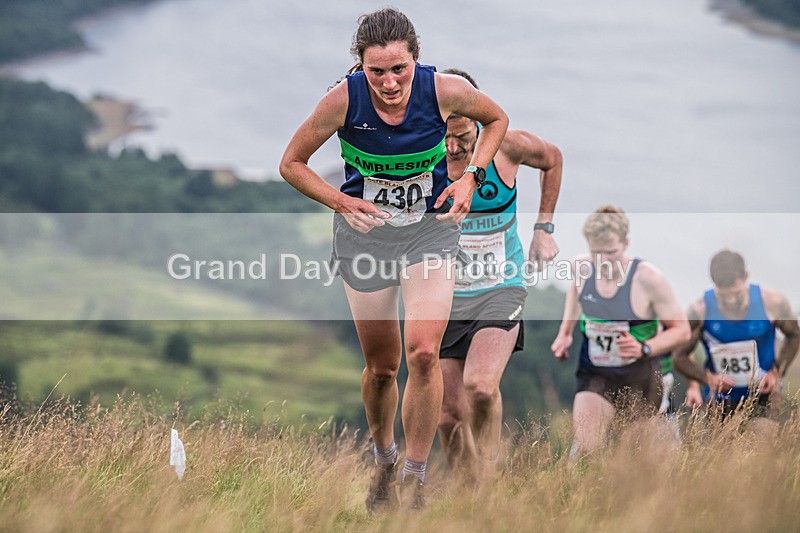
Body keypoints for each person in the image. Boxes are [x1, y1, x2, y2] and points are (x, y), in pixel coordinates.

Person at [279, 8, 508, 511]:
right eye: (376, 71)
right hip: (366, 239)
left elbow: (497, 119)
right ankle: (384, 460)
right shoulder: (342, 100)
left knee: (424, 353)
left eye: (399, 69)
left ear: (416, 60)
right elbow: (291, 164)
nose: (388, 83)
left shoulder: (444, 90)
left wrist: (471, 177)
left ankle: (414, 477)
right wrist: (341, 202)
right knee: (382, 368)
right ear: (360, 66)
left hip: (429, 232)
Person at [434, 69, 562, 482]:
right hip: (444, 296)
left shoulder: (507, 148)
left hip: (500, 288)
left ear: (478, 121)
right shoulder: (424, 155)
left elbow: (553, 159)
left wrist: (544, 228)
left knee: (481, 388)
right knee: (447, 418)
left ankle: (490, 478)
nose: (453, 147)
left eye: (461, 137)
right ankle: (469, 495)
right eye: (445, 137)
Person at [550, 206, 690, 458]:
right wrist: (565, 333)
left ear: (626, 244)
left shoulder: (648, 279)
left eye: (611, 252)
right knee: (586, 452)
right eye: (596, 252)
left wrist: (644, 348)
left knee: (635, 459)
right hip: (595, 373)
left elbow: (681, 330)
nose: (603, 261)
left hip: (641, 377)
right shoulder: (581, 267)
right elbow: (576, 293)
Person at [673, 250, 799, 421]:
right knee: (714, 439)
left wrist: (776, 373)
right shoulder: (700, 310)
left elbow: (794, 335)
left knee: (761, 435)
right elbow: (678, 355)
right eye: (723, 296)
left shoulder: (772, 302)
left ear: (746, 276)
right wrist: (707, 379)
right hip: (720, 398)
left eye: (736, 294)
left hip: (763, 394)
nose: (730, 300)